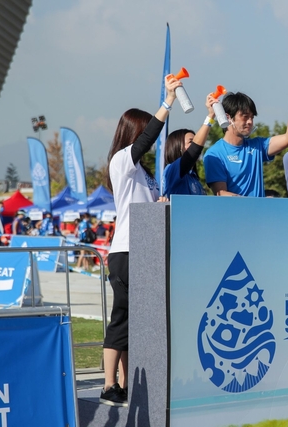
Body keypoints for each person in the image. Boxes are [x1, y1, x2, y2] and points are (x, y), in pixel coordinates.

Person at [100, 74, 181, 407]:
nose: (151, 139)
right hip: (126, 250)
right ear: (134, 132)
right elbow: (149, 138)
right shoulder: (122, 160)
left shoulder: (143, 172)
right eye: (145, 131)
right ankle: (108, 385)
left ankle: (126, 382)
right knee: (121, 319)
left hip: (145, 250)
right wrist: (168, 101)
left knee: (136, 322)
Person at [203, 79, 288, 197]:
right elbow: (221, 193)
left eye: (252, 117)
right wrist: (249, 203)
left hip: (258, 209)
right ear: (228, 118)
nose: (250, 122)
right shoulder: (214, 153)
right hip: (236, 209)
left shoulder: (257, 146)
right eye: (245, 116)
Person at [162, 95, 218, 198]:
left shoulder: (193, 177)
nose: (197, 145)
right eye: (191, 142)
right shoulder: (172, 169)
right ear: (177, 146)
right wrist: (211, 116)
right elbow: (194, 150)